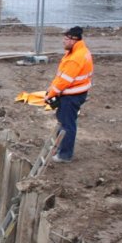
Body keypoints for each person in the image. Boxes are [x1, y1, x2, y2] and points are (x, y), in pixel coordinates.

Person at [45, 26, 93, 163]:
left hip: (71, 95)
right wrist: (51, 88)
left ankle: (64, 155)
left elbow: (64, 81)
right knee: (64, 121)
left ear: (73, 40)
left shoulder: (75, 58)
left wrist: (50, 94)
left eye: (66, 39)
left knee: (67, 125)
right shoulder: (79, 51)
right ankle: (60, 147)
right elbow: (61, 77)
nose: (63, 41)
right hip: (76, 93)